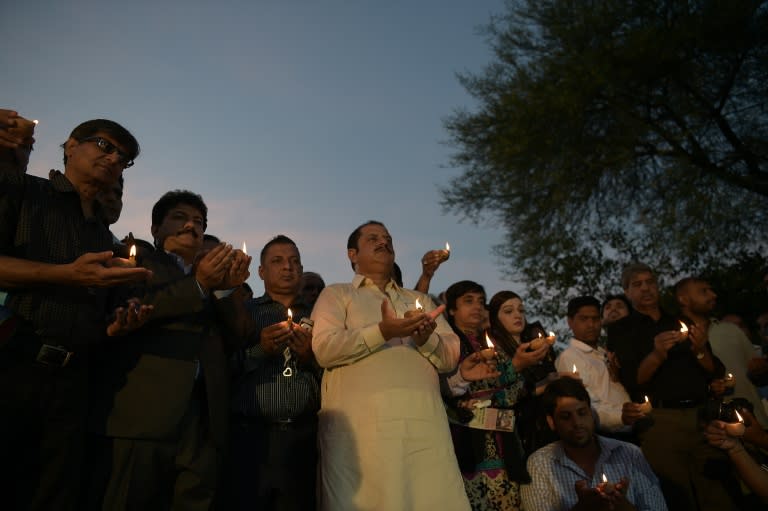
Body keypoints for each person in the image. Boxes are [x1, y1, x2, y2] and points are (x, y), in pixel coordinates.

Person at [0, 115, 150, 510]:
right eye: (105, 145)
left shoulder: (104, 237)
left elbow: (96, 319)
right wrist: (65, 274)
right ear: (70, 146)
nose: (114, 158)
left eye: (124, 157)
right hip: (14, 363)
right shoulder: (24, 191)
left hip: (74, 382)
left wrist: (118, 322)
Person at [87, 190, 251, 510]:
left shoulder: (217, 279)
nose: (191, 226)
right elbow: (129, 308)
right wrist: (198, 285)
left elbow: (241, 338)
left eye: (199, 222)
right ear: (156, 230)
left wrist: (227, 289)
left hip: (203, 423)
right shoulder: (135, 260)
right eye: (179, 218)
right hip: (142, 417)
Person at [311, 220, 470, 511]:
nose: (383, 242)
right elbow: (324, 349)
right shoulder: (337, 294)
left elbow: (449, 357)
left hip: (424, 430)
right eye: (373, 238)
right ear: (352, 254)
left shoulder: (418, 299)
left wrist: (426, 339)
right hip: (361, 435)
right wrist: (383, 331)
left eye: (388, 238)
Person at [607, 263, 735, 511]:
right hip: (660, 422)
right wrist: (656, 354)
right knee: (677, 496)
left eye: (650, 282)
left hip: (703, 416)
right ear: (627, 291)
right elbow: (633, 381)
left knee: (719, 492)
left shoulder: (681, 321)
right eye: (637, 284)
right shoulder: (621, 330)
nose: (646, 288)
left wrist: (699, 351)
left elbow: (714, 369)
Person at [226, 235, 320, 510]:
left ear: (301, 270)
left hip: (305, 438)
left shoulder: (322, 315)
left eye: (294, 261)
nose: (287, 267)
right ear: (261, 272)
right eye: (277, 261)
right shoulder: (244, 312)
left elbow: (340, 374)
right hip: (251, 439)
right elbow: (223, 366)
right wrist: (260, 350)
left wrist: (310, 359)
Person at [442, 283, 547, 510]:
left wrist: (513, 375)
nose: (477, 307)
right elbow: (448, 395)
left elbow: (516, 391)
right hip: (467, 445)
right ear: (451, 309)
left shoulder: (493, 345)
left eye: (481, 301)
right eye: (468, 301)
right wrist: (513, 370)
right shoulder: (446, 347)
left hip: (506, 443)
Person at [521, 378, 668, 511]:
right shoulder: (540, 464)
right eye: (566, 417)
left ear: (591, 414)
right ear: (551, 422)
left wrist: (624, 507)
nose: (577, 423)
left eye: (582, 413)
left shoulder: (629, 454)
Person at [675, 277, 768, 428]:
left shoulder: (731, 330)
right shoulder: (674, 338)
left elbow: (760, 376)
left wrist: (760, 368)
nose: (713, 295)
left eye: (711, 290)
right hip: (710, 432)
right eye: (704, 291)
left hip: (755, 423)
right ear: (683, 299)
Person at [555, 296, 645, 438]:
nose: (591, 324)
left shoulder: (604, 353)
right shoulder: (569, 357)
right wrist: (621, 417)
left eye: (595, 319)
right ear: (570, 322)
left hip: (631, 431)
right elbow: (586, 406)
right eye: (584, 319)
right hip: (606, 437)